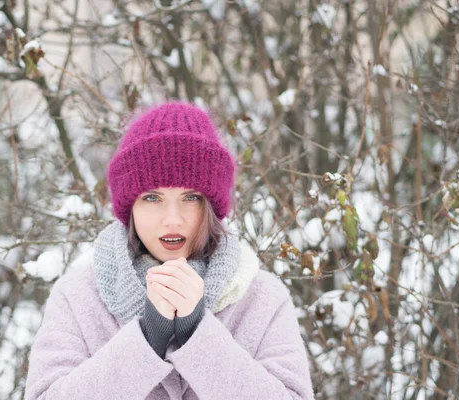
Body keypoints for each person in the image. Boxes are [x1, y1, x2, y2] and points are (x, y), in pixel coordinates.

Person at [24, 102, 315, 399]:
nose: (173, 218)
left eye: (190, 197)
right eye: (152, 198)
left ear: (212, 206)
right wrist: (148, 338)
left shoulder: (262, 300)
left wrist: (196, 333)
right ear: (130, 207)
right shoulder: (77, 298)